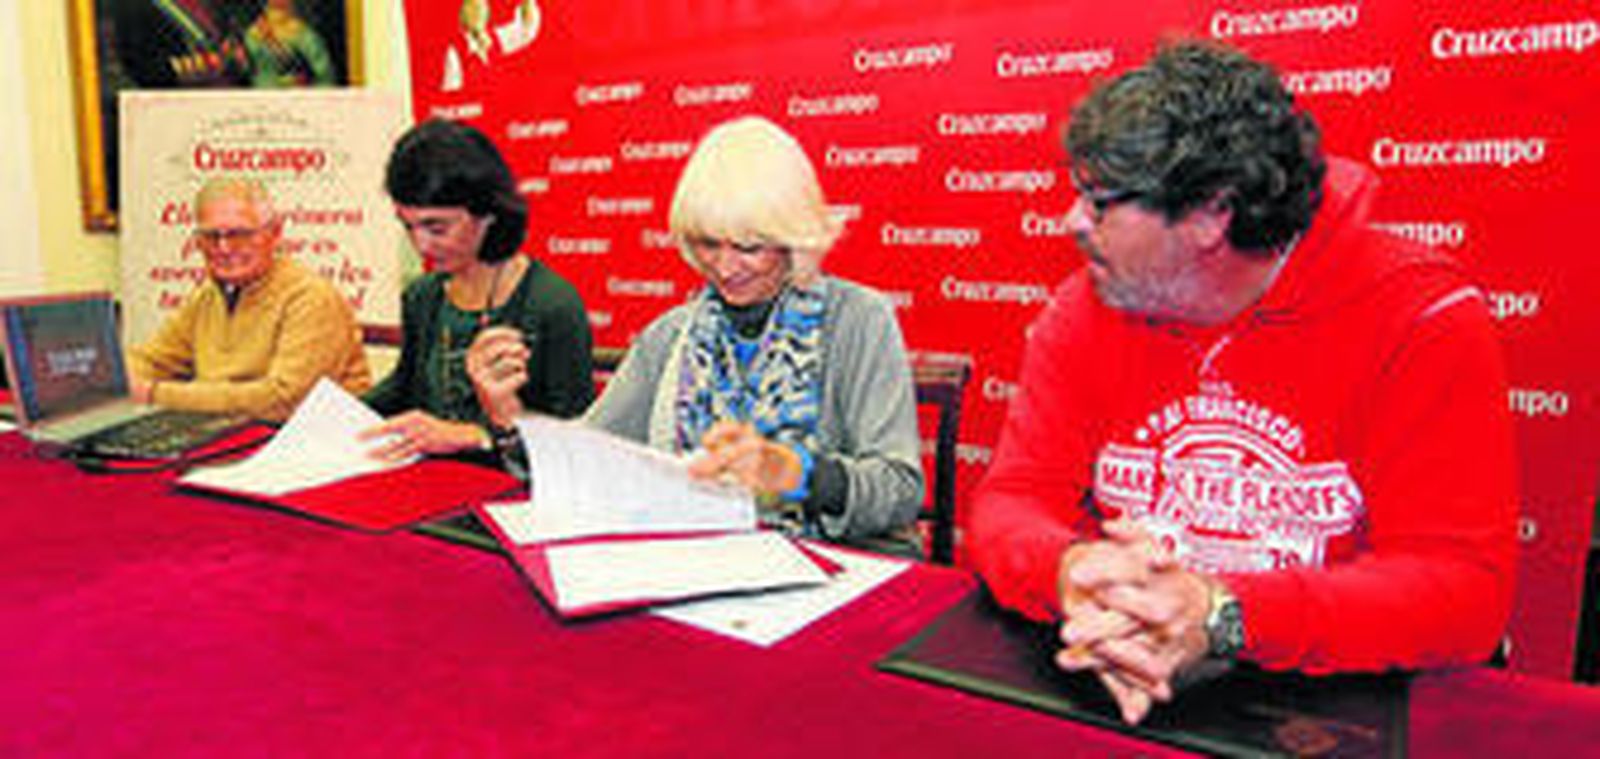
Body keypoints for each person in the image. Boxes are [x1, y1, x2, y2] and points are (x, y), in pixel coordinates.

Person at [967, 40, 1517, 724]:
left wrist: (1220, 613)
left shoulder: (1420, 316)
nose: (1071, 220)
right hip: (1118, 673)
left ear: (1211, 212)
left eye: (1099, 201)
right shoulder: (1084, 307)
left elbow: (1462, 592)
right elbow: (1009, 503)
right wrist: (1074, 572)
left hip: (1329, 707)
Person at [469, 115, 924, 547]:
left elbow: (900, 490)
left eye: (749, 247)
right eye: (708, 243)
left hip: (828, 574)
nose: (725, 268)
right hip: (700, 570)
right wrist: (508, 419)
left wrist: (795, 472)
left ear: (793, 239)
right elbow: (587, 461)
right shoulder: (670, 336)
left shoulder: (859, 320)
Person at [363, 119, 593, 464]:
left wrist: (472, 436)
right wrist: (328, 415)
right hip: (429, 483)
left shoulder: (551, 304)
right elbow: (404, 386)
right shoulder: (423, 296)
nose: (420, 244)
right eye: (407, 226)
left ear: (489, 214)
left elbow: (576, 438)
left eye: (436, 228)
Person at [128, 176, 371, 421]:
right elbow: (153, 360)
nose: (224, 248)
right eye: (211, 236)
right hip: (230, 433)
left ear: (274, 233)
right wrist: (111, 383)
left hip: (308, 442)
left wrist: (154, 394)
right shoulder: (207, 296)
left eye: (239, 234)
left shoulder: (311, 298)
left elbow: (284, 400)